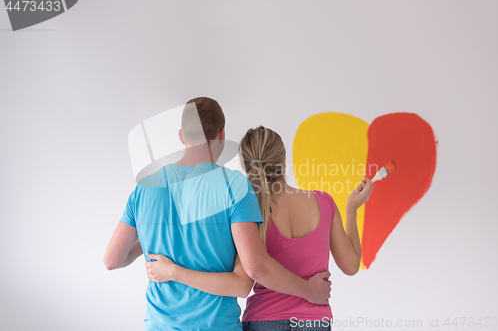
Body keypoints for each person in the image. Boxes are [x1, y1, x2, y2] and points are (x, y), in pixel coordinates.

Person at [103, 99, 332, 331]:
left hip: (159, 325)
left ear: (182, 136)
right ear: (222, 134)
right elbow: (244, 284)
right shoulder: (234, 186)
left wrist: (156, 233)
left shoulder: (145, 188)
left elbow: (112, 260)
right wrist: (310, 291)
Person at [146, 125, 374, 331]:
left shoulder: (245, 209)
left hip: (264, 320)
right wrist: (352, 209)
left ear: (246, 166)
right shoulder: (324, 203)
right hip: (314, 322)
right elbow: (351, 266)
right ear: (284, 160)